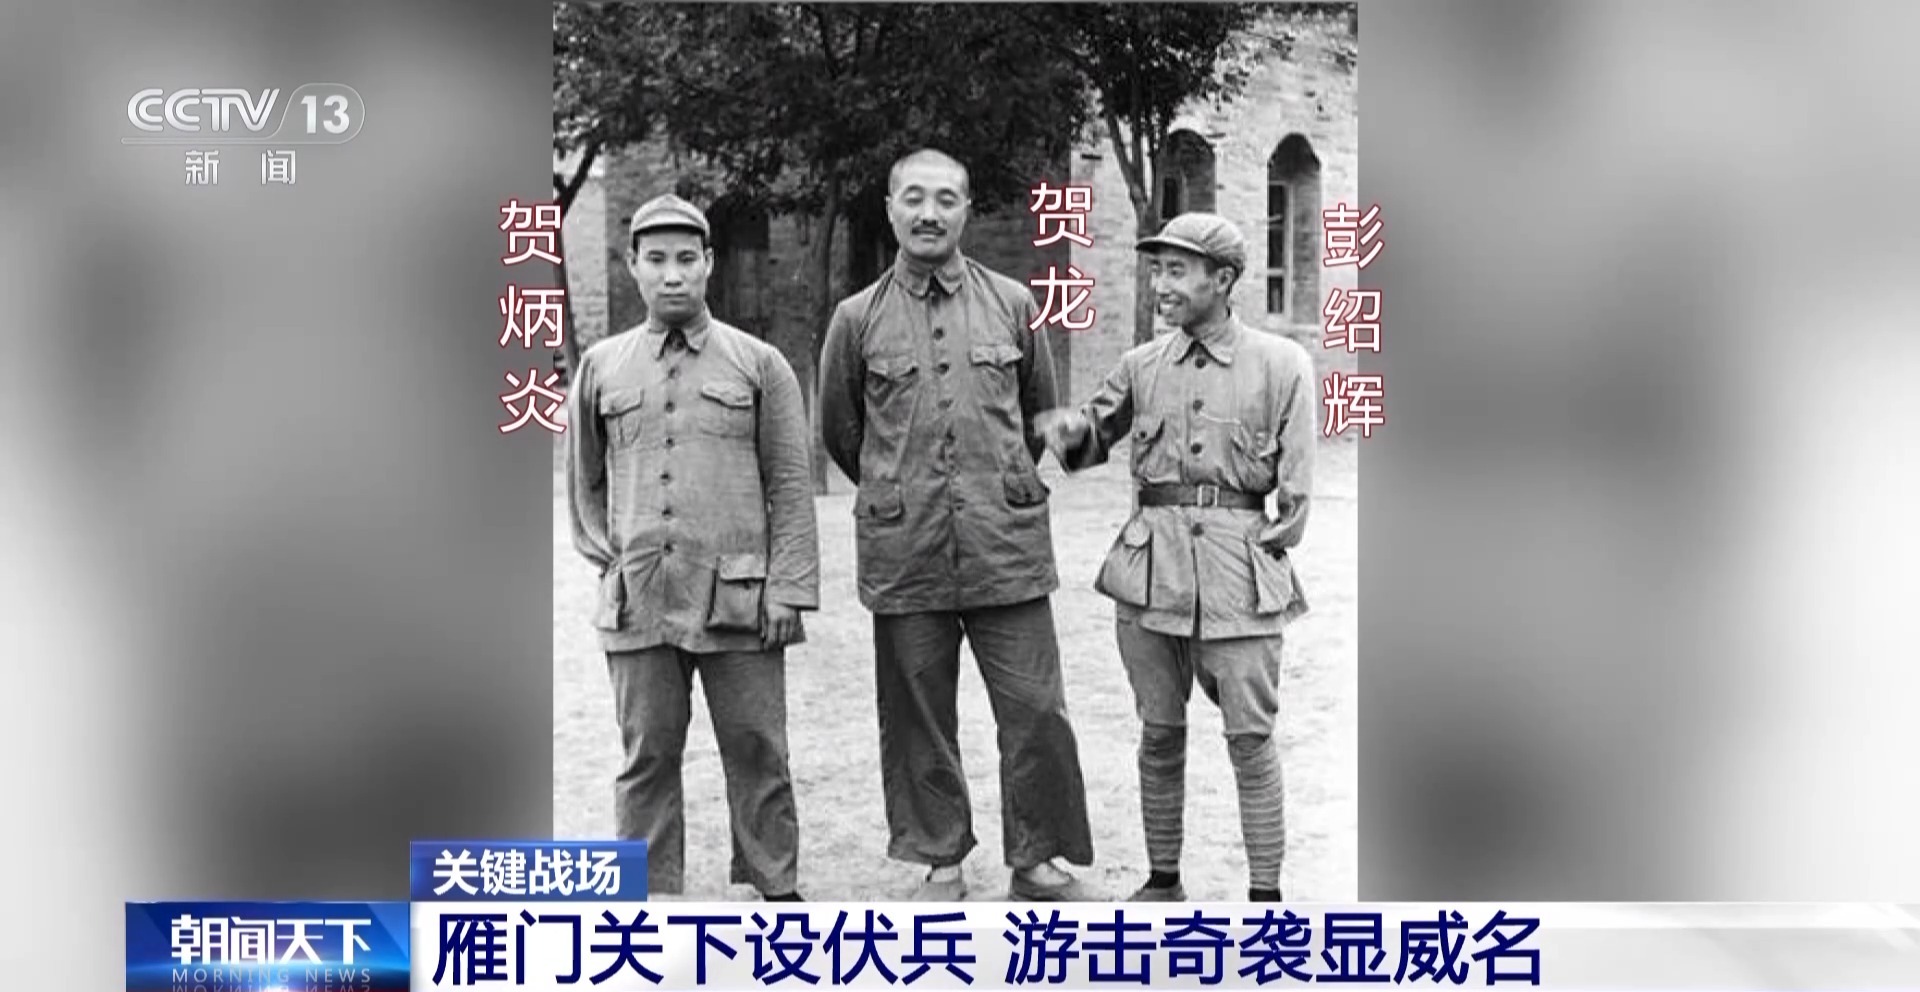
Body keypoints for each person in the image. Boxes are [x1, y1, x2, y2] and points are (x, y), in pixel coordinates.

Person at [818, 149, 1096, 901]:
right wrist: (900, 486)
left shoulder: (1014, 304)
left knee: (1036, 709)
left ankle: (1037, 859)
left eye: (946, 199)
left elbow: (1041, 413)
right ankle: (940, 856)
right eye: (913, 198)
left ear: (967, 210)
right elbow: (843, 433)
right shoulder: (856, 318)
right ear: (889, 209)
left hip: (1006, 547)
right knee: (918, 712)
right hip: (904, 549)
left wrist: (989, 484)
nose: (929, 213)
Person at [1038, 212, 1316, 902]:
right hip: (1149, 579)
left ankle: (1265, 900)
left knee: (1250, 740)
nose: (1160, 284)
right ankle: (1163, 882)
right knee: (1159, 733)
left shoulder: (1281, 365)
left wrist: (1267, 543)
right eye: (1157, 269)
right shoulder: (1141, 365)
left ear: (1222, 279)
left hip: (1238, 581)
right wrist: (1067, 433)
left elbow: (1296, 498)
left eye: (1177, 271)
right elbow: (1088, 445)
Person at [567, 193, 819, 901]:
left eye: (686, 258)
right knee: (646, 754)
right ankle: (647, 898)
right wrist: (613, 562)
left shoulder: (759, 364)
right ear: (633, 265)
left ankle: (773, 885)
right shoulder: (602, 366)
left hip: (739, 598)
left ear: (709, 263)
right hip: (639, 600)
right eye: (656, 259)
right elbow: (584, 482)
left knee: (758, 748)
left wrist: (787, 589)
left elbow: (790, 484)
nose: (671, 274)